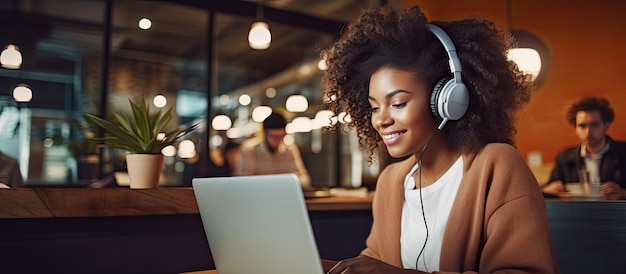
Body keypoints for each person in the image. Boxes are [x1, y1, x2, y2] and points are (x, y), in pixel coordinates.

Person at [319, 5, 559, 273]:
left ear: (447, 100)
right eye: (375, 107)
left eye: (398, 103)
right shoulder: (391, 182)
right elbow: (375, 261)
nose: (380, 120)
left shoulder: (496, 165)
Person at [542, 96, 626, 199]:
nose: (588, 132)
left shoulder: (623, 152)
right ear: (575, 128)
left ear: (606, 126)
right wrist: (548, 191)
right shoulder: (565, 158)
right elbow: (548, 190)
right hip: (577, 213)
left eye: (594, 125)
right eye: (582, 126)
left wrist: (623, 194)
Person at [236, 111, 312, 186]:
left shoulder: (290, 150)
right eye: (273, 136)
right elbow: (244, 182)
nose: (277, 140)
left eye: (281, 136)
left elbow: (306, 181)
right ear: (265, 133)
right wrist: (285, 180)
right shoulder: (249, 149)